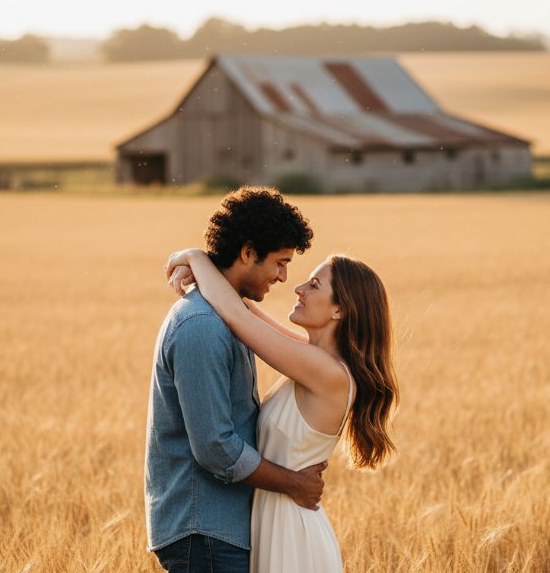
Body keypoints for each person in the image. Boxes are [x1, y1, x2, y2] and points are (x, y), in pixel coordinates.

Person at [164, 242, 399, 572]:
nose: (299, 288)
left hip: (293, 532)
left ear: (339, 311)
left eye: (314, 285)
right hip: (277, 518)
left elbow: (235, 317)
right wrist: (205, 274)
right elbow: (242, 308)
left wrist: (194, 257)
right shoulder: (315, 359)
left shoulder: (327, 373)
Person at [145, 187, 323, 573]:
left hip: (219, 530)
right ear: (247, 253)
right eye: (280, 262)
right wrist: (294, 483)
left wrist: (196, 258)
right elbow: (215, 448)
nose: (283, 276)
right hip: (206, 530)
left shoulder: (229, 316)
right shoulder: (202, 326)